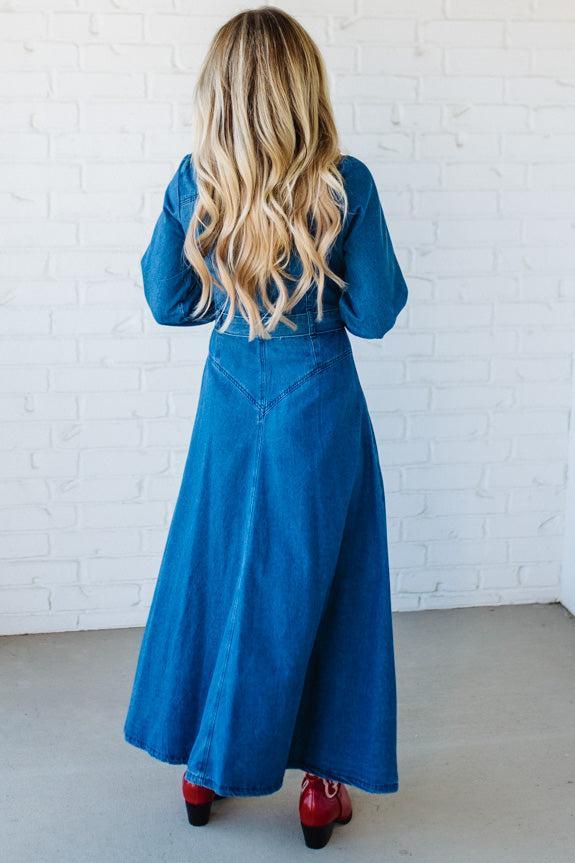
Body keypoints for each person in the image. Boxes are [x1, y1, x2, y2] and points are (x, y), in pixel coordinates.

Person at [123, 6, 408, 850]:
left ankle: (204, 766)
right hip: (317, 397)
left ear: (219, 95)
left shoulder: (195, 179)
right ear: (303, 89)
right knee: (327, 581)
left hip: (226, 392)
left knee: (214, 569)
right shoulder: (343, 182)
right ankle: (319, 784)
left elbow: (170, 303)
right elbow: (377, 313)